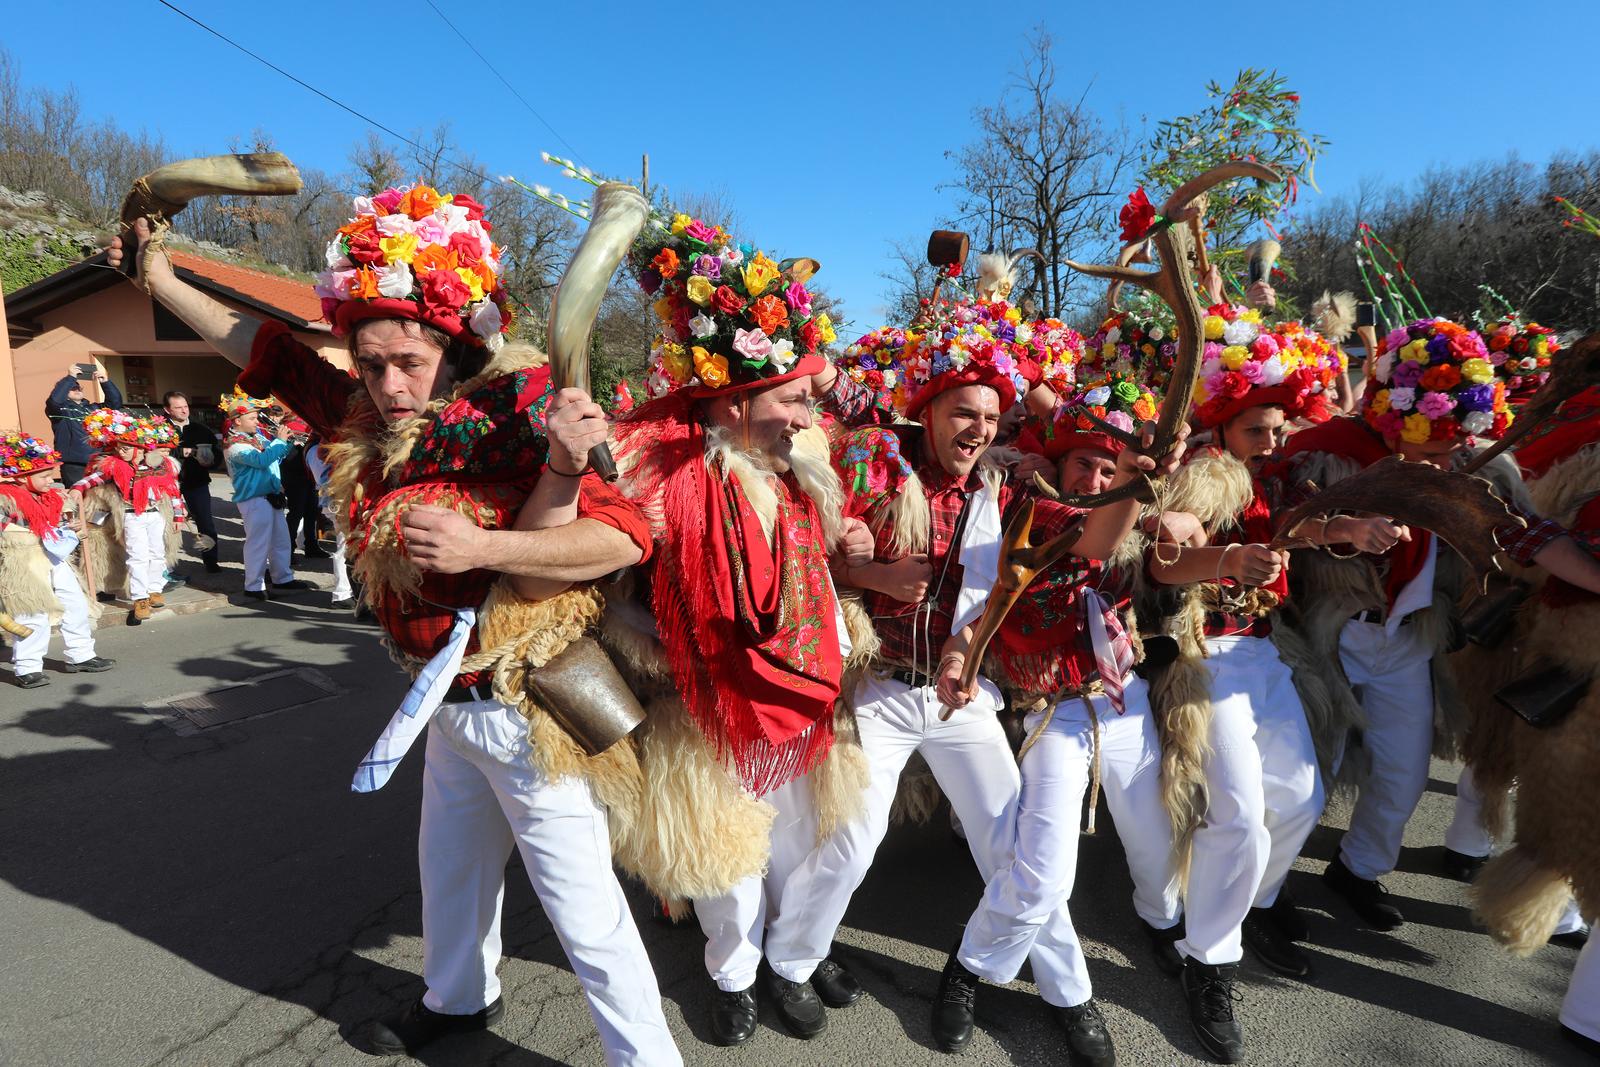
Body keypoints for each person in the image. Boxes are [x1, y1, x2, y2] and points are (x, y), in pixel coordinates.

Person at [111, 180, 682, 1065]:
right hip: (441, 701)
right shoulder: (358, 414)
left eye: (407, 361)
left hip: (527, 703)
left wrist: (482, 546)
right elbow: (259, 349)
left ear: (454, 345)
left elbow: (619, 535)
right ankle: (458, 1001)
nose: (387, 384)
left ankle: (648, 1059)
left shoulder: (519, 404)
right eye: (370, 362)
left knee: (583, 907)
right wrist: (157, 274)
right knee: (448, 874)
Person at [791, 294, 1184, 1059]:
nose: (976, 429)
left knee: (1015, 849)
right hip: (881, 687)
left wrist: (1139, 477)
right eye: (961, 411)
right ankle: (792, 963)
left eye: (990, 416)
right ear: (929, 410)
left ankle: (1071, 996)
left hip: (963, 690)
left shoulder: (1005, 488)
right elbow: (811, 546)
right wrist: (864, 565)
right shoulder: (879, 462)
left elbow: (1071, 552)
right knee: (850, 841)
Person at [602, 210, 873, 1047]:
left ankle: (794, 953)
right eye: (793, 397)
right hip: (703, 700)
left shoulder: (799, 470)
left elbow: (810, 565)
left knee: (818, 843)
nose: (805, 414)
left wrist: (846, 539)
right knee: (727, 867)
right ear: (736, 393)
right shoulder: (658, 470)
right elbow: (618, 572)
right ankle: (734, 975)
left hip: (798, 693)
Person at [1264, 318, 1600, 931]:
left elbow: (1526, 534)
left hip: (1409, 637)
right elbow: (1278, 523)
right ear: (1401, 421)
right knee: (1305, 776)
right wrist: (1343, 529)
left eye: (1455, 448)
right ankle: (1262, 890)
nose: (1448, 463)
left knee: (1404, 771)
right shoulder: (1331, 449)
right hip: (1328, 634)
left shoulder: (1473, 466)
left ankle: (1357, 870)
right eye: (1435, 450)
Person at [935, 369, 1187, 1065]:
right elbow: (1094, 545)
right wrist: (1133, 481)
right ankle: (969, 969)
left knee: (1160, 850)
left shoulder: (1133, 516)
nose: (1096, 475)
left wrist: (1186, 523)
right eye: (1085, 460)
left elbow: (1164, 548)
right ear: (1058, 459)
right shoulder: (1036, 514)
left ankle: (1167, 929)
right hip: (1051, 715)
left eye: (1109, 466)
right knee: (1044, 874)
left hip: (1122, 700)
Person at [1141, 308, 1345, 1062]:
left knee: (1301, 796)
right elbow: (1168, 554)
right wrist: (1220, 560)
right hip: (1209, 659)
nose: (1272, 440)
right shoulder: (1208, 472)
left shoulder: (1276, 474)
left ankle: (1250, 900)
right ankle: (1209, 958)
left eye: (1278, 428)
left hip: (1263, 656)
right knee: (1240, 815)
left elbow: (1285, 532)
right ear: (1225, 427)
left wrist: (1343, 533)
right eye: (1257, 429)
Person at [1466, 383, 1600, 1058]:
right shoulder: (1581, 440)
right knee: (1567, 809)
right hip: (1577, 648)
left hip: (1575, 643)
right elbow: (1544, 541)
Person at [0, 430, 114, 686]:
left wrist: (72, 528)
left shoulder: (51, 497)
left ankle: (81, 656)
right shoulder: (5, 500)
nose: (50, 480)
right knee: (32, 613)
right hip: (24, 562)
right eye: (43, 476)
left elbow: (61, 522)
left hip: (55, 558)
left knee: (75, 605)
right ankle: (28, 668)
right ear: (20, 478)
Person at [71, 409, 184, 625]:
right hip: (132, 516)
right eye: (119, 448)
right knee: (137, 556)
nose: (121, 452)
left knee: (157, 553)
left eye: (125, 449)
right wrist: (77, 488)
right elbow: (91, 479)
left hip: (154, 514)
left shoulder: (160, 466)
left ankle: (154, 590)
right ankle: (140, 598)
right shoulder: (114, 466)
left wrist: (178, 517)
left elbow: (173, 491)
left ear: (140, 450)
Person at [219, 391, 306, 601]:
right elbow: (261, 460)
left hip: (271, 496)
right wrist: (279, 441)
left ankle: (282, 578)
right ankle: (253, 586)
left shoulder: (255, 438)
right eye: (252, 418)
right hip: (254, 499)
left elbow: (274, 457)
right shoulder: (234, 445)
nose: (257, 421)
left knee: (281, 540)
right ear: (237, 421)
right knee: (258, 543)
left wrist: (288, 445)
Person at [162, 390, 222, 573]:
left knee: (205, 522)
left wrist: (212, 460)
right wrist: (181, 452)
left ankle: (211, 561)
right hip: (167, 484)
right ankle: (166, 566)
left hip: (196, 482)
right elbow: (154, 453)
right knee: (166, 524)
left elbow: (217, 454)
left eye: (185, 406)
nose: (183, 411)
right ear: (167, 409)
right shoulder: (160, 429)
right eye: (177, 407)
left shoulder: (201, 429)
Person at [46, 368, 122, 487]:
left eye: (78, 387)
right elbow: (54, 401)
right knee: (79, 498)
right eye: (72, 388)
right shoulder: (60, 411)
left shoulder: (94, 408)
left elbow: (115, 404)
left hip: (99, 461)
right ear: (64, 392)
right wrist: (70, 378)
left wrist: (105, 382)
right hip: (74, 465)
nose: (76, 389)